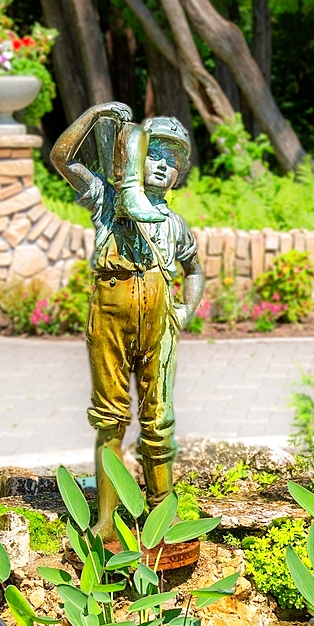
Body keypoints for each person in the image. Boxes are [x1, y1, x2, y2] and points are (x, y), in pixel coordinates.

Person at [50, 101, 204, 540]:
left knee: (158, 419)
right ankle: (106, 519)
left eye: (172, 162)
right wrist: (96, 115)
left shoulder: (174, 224)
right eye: (154, 154)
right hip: (111, 315)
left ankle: (161, 513)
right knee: (110, 418)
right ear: (134, 157)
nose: (161, 167)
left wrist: (184, 310)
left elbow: (193, 271)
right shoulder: (106, 201)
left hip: (158, 323)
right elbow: (63, 158)